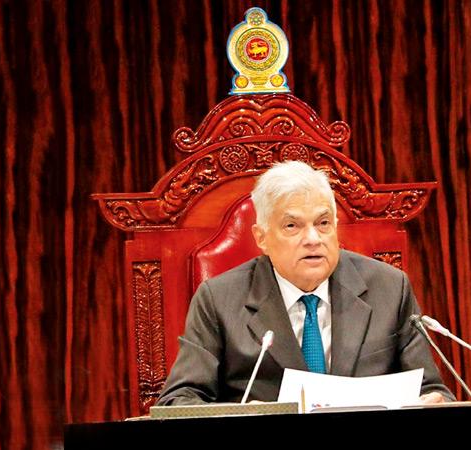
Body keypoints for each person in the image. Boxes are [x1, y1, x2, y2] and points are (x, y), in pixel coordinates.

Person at [156, 160, 454, 405]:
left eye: (323, 223)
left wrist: (433, 401)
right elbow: (179, 400)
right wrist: (241, 417)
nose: (312, 239)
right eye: (292, 226)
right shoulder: (219, 299)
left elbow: (432, 391)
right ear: (261, 237)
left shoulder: (389, 288)